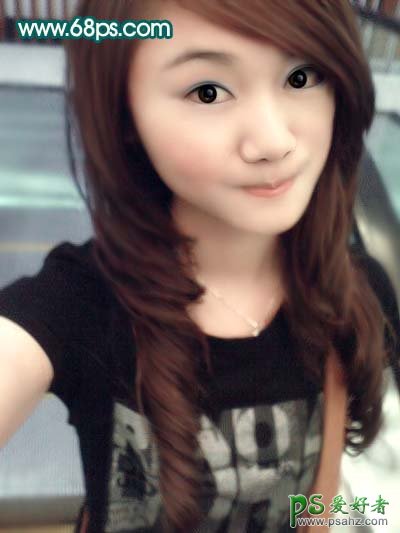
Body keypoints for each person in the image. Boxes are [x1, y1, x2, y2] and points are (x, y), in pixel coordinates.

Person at [0, 1, 399, 532]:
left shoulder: (353, 291)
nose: (273, 142)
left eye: (301, 77)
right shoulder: (82, 303)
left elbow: (318, 504)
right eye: (208, 91)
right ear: (125, 114)